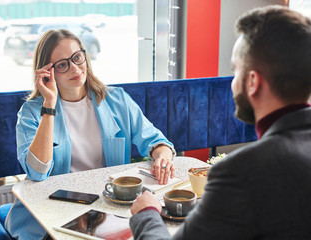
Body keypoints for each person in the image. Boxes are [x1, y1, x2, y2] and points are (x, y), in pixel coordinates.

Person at [129, 5, 311, 239]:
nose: (233, 83)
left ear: (253, 81)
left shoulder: (241, 172)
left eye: (236, 71)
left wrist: (146, 214)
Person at [4, 29, 176, 240]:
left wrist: (163, 157)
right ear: (47, 72)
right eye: (62, 64)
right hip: (51, 212)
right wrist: (49, 105)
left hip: (107, 208)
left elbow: (157, 142)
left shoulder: (118, 100)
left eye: (77, 57)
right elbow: (37, 171)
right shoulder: (32, 112)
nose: (75, 68)